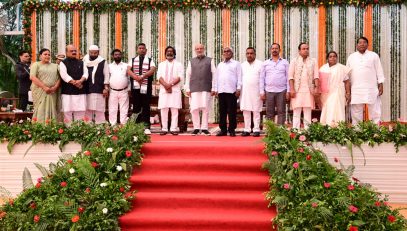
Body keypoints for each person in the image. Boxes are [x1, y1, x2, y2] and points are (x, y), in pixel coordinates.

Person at [346, 36, 385, 125]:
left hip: (371, 88)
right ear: (357, 45)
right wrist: (348, 90)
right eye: (360, 42)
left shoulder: (373, 55)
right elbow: (347, 74)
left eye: (364, 42)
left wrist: (381, 84)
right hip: (356, 88)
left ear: (367, 45)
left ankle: (376, 130)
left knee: (375, 109)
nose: (362, 44)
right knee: (356, 110)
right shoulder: (351, 57)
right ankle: (357, 131)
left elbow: (379, 70)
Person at [184, 44, 216, 136]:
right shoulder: (191, 61)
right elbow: (188, 75)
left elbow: (214, 74)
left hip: (206, 87)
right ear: (195, 50)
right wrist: (187, 88)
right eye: (197, 49)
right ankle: (196, 128)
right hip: (194, 88)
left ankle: (205, 128)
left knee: (205, 108)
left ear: (204, 49)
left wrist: (214, 87)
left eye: (201, 48)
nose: (199, 50)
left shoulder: (210, 60)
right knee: (194, 108)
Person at [127, 43, 157, 135]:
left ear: (146, 50)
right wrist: (136, 78)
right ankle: (136, 126)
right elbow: (128, 70)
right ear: (137, 50)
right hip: (135, 87)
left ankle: (146, 126)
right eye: (140, 48)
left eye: (143, 48)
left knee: (146, 106)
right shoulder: (132, 60)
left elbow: (152, 70)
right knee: (136, 106)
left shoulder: (150, 60)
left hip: (146, 87)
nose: (141, 50)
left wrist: (143, 76)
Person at [288, 43, 319, 129]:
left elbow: (316, 75)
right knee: (296, 111)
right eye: (303, 49)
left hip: (309, 90)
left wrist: (316, 88)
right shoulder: (294, 61)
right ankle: (295, 131)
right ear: (299, 51)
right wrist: (292, 89)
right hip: (297, 90)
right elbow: (290, 76)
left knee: (308, 111)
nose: (306, 50)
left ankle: (307, 131)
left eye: (307, 48)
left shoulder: (313, 61)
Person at [213, 47, 242, 137]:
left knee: (232, 111)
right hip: (221, 91)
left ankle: (232, 129)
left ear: (232, 53)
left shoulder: (236, 64)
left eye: (228, 51)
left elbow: (239, 76)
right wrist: (216, 89)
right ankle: (223, 130)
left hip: (232, 91)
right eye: (224, 51)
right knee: (222, 112)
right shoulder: (220, 65)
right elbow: (216, 78)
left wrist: (238, 88)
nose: (226, 53)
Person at [259, 43, 290, 125]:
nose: (274, 50)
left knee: (281, 111)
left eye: (276, 48)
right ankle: (270, 131)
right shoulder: (265, 63)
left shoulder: (285, 62)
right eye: (273, 48)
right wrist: (261, 91)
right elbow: (261, 78)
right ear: (270, 50)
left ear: (279, 50)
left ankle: (280, 131)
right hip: (269, 91)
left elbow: (288, 77)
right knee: (269, 112)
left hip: (282, 90)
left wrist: (288, 91)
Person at [157, 46, 184, 135]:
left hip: (175, 89)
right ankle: (164, 128)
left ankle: (173, 128)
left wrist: (170, 85)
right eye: (168, 51)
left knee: (174, 110)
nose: (169, 53)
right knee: (164, 109)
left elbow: (180, 77)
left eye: (171, 51)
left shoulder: (179, 64)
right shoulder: (161, 64)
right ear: (165, 53)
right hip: (164, 90)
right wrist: (166, 85)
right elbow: (159, 77)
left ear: (174, 53)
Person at [319, 51, 351, 125]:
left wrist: (348, 93)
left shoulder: (341, 68)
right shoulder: (323, 68)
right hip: (326, 93)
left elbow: (347, 81)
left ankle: (338, 126)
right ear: (327, 58)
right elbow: (319, 82)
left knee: (338, 109)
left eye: (334, 56)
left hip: (338, 91)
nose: (333, 58)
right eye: (330, 56)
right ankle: (327, 126)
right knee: (327, 109)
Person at [29, 48, 61, 122]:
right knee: (40, 108)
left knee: (52, 108)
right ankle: (39, 128)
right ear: (40, 56)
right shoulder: (36, 64)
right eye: (45, 54)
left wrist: (55, 87)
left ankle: (52, 127)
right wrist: (44, 87)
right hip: (40, 91)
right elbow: (32, 77)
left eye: (49, 54)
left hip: (52, 92)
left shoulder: (55, 66)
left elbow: (60, 78)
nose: (47, 56)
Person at [60, 44, 89, 123]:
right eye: (71, 51)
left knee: (80, 112)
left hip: (80, 91)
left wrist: (80, 81)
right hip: (67, 92)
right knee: (67, 112)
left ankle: (79, 130)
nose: (73, 52)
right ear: (66, 52)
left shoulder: (82, 62)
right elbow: (64, 75)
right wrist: (75, 83)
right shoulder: (63, 63)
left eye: (75, 51)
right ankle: (69, 130)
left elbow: (86, 74)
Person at [83, 45, 109, 124]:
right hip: (87, 89)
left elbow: (106, 75)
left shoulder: (103, 61)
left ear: (98, 52)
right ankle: (88, 128)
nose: (93, 54)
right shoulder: (84, 60)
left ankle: (99, 127)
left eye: (95, 53)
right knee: (87, 109)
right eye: (92, 53)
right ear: (89, 52)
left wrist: (106, 88)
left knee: (99, 110)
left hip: (99, 89)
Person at [240, 47, 263, 137]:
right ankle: (247, 129)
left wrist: (262, 91)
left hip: (257, 91)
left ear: (255, 54)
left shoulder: (260, 64)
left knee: (256, 110)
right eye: (248, 53)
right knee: (246, 110)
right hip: (245, 91)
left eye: (251, 53)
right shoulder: (242, 65)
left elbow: (262, 79)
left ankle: (256, 129)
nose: (249, 55)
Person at [108, 49, 130, 125]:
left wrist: (129, 89)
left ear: (121, 55)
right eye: (116, 54)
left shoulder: (126, 66)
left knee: (124, 109)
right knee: (112, 109)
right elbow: (107, 78)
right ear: (112, 56)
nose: (117, 56)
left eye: (119, 54)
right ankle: (112, 126)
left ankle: (123, 126)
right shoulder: (109, 66)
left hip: (124, 91)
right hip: (112, 91)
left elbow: (129, 78)